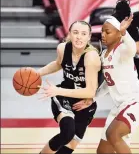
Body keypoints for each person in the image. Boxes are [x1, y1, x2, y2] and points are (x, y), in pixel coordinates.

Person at [73, 0, 139, 154]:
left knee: (113, 134)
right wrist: (92, 98)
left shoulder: (122, 50)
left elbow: (132, 49)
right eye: (102, 31)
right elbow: (108, 84)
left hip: (136, 103)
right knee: (102, 151)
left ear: (117, 34)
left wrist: (124, 32)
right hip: (119, 107)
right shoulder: (103, 56)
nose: (103, 34)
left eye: (107, 32)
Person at [37, 20, 101, 154]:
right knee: (67, 132)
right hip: (64, 96)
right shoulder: (62, 48)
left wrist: (57, 90)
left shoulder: (91, 57)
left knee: (72, 143)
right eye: (75, 32)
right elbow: (58, 63)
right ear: (69, 34)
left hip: (84, 101)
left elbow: (90, 90)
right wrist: (37, 73)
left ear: (89, 37)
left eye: (84, 34)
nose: (79, 37)